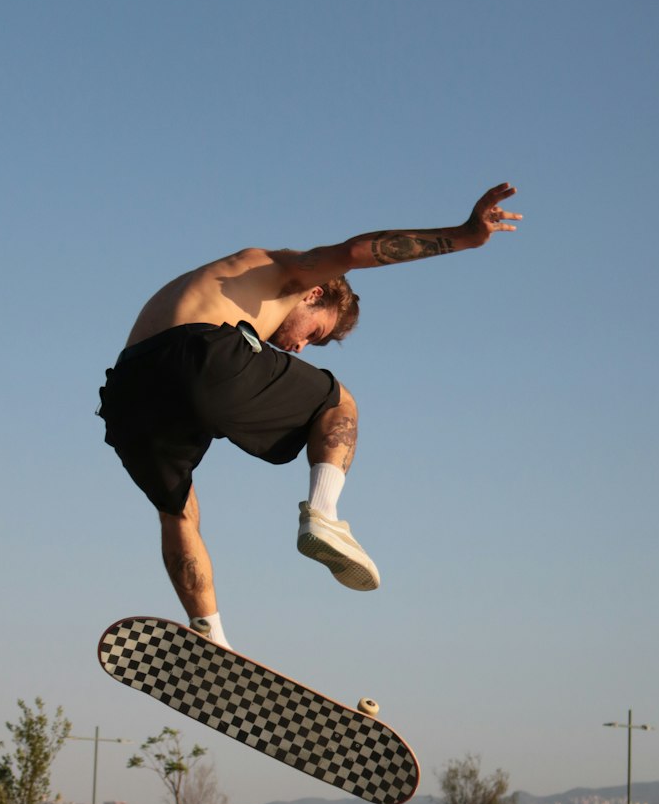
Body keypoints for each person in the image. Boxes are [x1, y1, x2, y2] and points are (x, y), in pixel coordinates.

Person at [98, 181, 520, 648]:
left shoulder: (216, 283)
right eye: (314, 334)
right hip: (200, 358)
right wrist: (462, 236)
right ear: (314, 294)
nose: (299, 347)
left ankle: (210, 637)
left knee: (179, 515)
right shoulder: (283, 270)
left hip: (127, 394)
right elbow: (359, 251)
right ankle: (323, 515)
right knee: (338, 400)